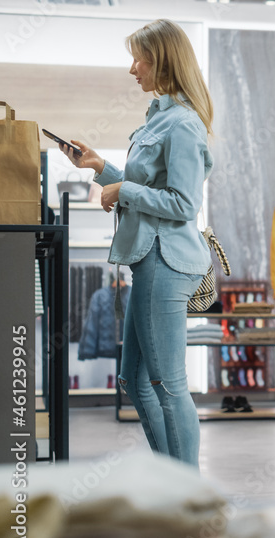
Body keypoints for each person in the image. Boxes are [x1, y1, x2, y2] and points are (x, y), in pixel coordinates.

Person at [60, 19, 214, 468]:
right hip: (150, 260)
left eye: (138, 59)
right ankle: (171, 480)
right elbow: (148, 182)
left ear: (161, 60)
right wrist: (101, 168)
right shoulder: (160, 118)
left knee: (167, 382)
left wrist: (122, 191)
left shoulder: (183, 124)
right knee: (134, 377)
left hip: (166, 260)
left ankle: (185, 494)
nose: (133, 70)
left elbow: (183, 203)